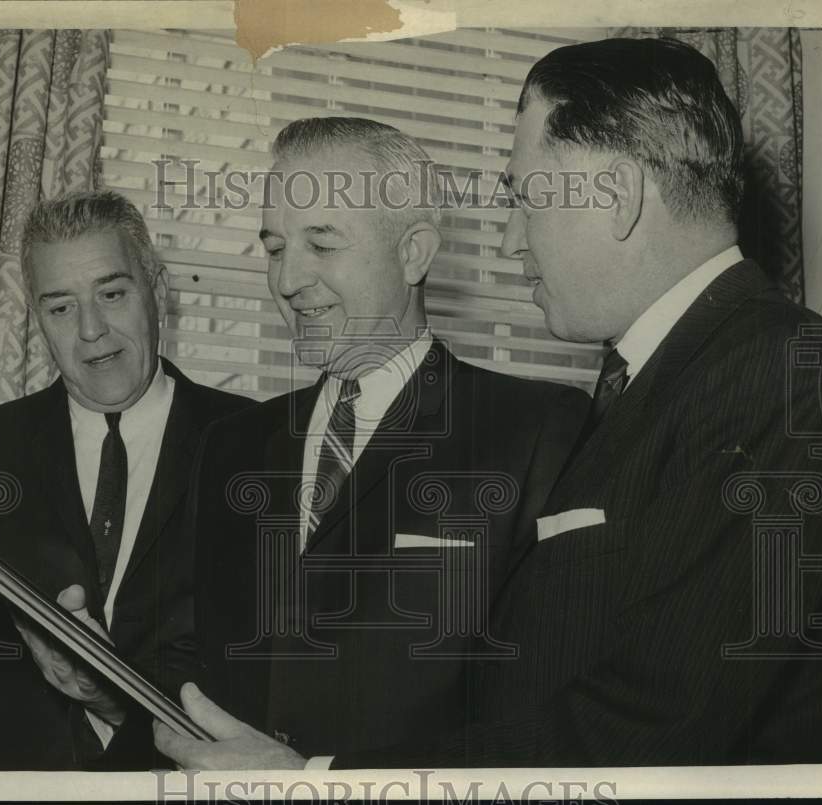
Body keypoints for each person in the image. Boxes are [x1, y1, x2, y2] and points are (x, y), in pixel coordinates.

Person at [155, 38, 822, 769]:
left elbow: (655, 718)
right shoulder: (659, 378)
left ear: (615, 195)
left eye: (524, 197)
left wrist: (312, 781)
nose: (511, 237)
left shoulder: (777, 370)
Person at [154, 117, 588, 765]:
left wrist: (314, 783)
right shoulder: (229, 445)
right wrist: (103, 686)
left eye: (322, 244)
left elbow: (550, 712)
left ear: (414, 252)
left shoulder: (538, 430)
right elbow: (188, 659)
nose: (288, 280)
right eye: (275, 248)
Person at [0, 190, 250, 770]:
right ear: (38, 318)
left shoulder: (252, 443)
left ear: (158, 289)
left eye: (112, 294)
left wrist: (115, 707)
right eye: (61, 307)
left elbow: (268, 686)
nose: (91, 330)